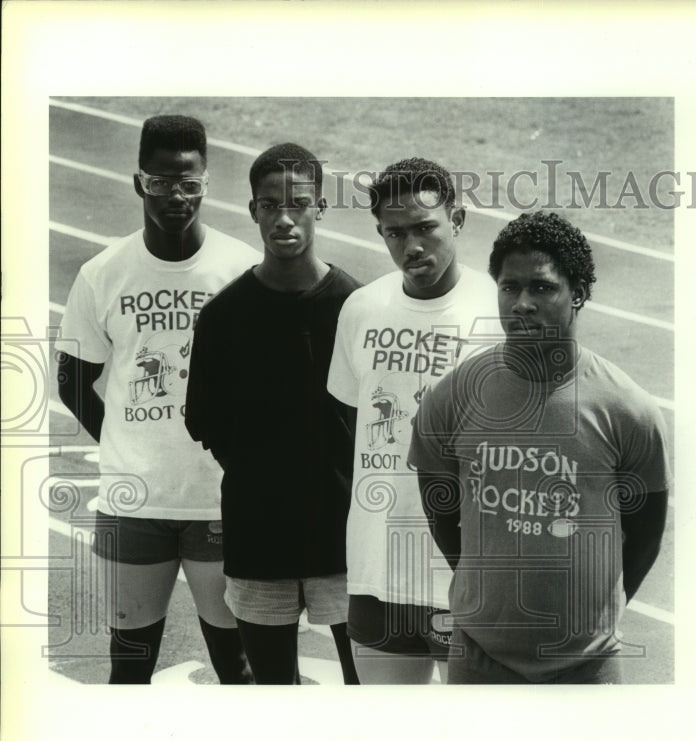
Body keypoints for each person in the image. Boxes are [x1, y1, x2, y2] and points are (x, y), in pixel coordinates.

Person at [408, 211, 671, 684]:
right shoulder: (453, 395)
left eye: (542, 288)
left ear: (579, 294)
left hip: (586, 666)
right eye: (509, 288)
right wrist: (481, 589)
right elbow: (439, 506)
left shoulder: (627, 408)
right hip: (480, 657)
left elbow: (646, 533)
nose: (522, 303)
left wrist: (593, 615)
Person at [56, 114, 258, 684]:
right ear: (138, 182)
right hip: (133, 502)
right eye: (161, 181)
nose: (176, 196)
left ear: (206, 184)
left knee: (238, 666)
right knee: (129, 665)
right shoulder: (104, 274)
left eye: (189, 184)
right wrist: (123, 440)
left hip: (218, 500)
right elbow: (73, 377)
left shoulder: (239, 269)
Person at [184, 143, 362, 685]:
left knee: (371, 692)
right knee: (273, 697)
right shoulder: (222, 317)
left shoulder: (356, 307)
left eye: (299, 204)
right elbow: (204, 421)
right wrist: (262, 468)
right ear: (253, 211)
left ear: (320, 207)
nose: (284, 218)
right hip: (259, 537)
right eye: (269, 205)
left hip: (346, 540)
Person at [326, 157, 498, 684]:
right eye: (395, 233)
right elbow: (349, 423)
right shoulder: (361, 307)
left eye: (426, 228)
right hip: (377, 569)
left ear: (459, 220)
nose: (412, 247)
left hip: (465, 570)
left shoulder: (498, 311)